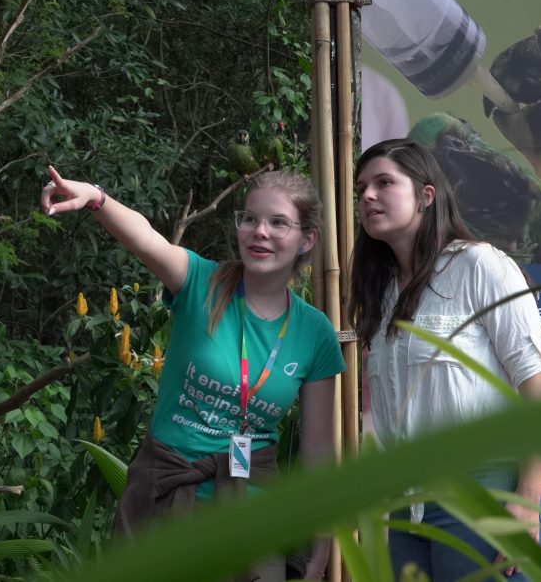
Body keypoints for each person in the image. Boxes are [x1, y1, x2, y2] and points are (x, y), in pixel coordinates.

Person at [40, 165, 345, 581]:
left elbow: (319, 453)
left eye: (279, 223)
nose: (260, 232)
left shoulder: (315, 333)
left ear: (306, 238)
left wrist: (323, 544)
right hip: (167, 492)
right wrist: (97, 198)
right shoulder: (203, 283)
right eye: (251, 218)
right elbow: (147, 238)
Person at [348, 139, 541, 581]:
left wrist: (527, 500)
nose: (367, 196)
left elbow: (538, 380)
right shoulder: (382, 295)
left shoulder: (480, 265)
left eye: (384, 183)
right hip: (409, 509)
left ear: (427, 195)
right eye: (361, 187)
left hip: (486, 497)